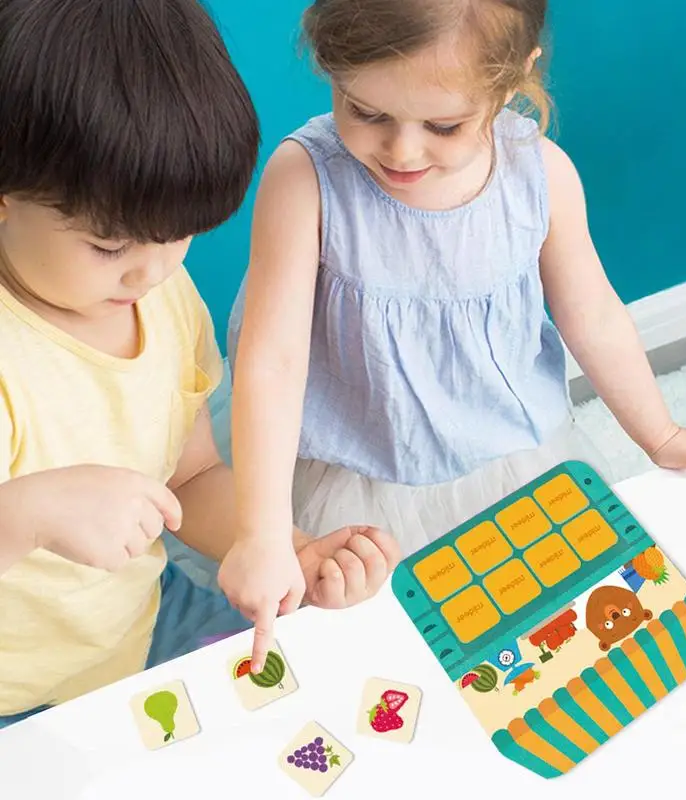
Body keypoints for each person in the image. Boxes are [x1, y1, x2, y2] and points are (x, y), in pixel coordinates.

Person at [222, 0, 686, 671]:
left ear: (513, 80)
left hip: (509, 456)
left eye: (444, 125)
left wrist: (660, 433)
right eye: (366, 112)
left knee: (534, 635)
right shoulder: (305, 179)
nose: (401, 149)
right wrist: (264, 532)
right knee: (390, 656)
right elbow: (273, 361)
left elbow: (593, 315)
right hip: (362, 469)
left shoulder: (540, 174)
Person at [0, 0, 399, 731]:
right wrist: (26, 513)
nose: (151, 270)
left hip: (136, 627)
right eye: (110, 246)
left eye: (178, 234)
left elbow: (189, 478)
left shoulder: (160, 294)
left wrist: (286, 549)